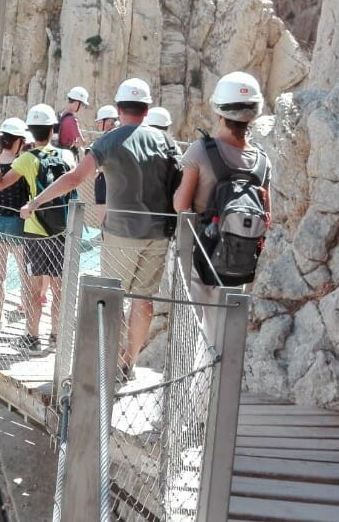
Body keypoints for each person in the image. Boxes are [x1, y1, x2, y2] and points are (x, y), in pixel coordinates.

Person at [21, 78, 179, 379]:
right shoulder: (166, 141)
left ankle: (113, 361)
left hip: (120, 233)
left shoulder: (108, 141)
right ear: (147, 110)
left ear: (119, 110)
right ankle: (128, 363)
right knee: (143, 300)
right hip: (159, 233)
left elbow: (74, 179)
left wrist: (37, 202)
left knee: (113, 296)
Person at [173, 72, 272, 312]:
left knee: (189, 332)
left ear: (220, 113)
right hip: (239, 259)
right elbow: (267, 216)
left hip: (198, 254)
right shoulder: (262, 161)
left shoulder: (200, 151)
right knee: (223, 338)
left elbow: (181, 205)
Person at [0, 104, 76, 354]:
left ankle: (32, 337)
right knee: (58, 287)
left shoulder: (26, 159)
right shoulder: (67, 157)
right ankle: (56, 335)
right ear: (52, 129)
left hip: (35, 230)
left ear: (31, 132)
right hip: (61, 231)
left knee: (34, 287)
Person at [0, 118, 31, 331]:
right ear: (18, 141)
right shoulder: (21, 164)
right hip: (16, 221)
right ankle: (28, 317)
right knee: (25, 272)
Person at [91, 105, 119, 226]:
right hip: (116, 183)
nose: (98, 125)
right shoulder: (120, 136)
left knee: (102, 218)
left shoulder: (107, 139)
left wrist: (99, 170)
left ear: (108, 121)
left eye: (99, 121)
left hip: (105, 181)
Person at [56, 86, 89, 154]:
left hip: (58, 151)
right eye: (82, 104)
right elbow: (82, 142)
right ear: (77, 103)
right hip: (65, 155)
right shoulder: (72, 120)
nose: (82, 107)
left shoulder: (61, 115)